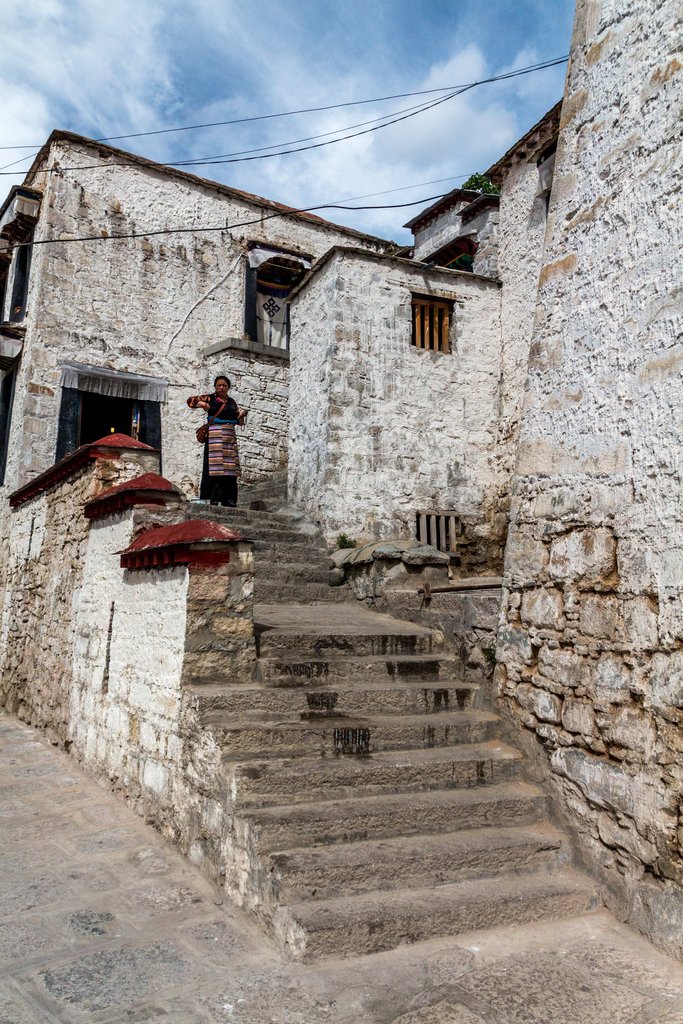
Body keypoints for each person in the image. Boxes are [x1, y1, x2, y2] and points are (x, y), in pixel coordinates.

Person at [187, 375, 247, 507]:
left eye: (224, 385)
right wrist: (203, 404)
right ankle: (212, 499)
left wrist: (241, 416)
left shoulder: (232, 402)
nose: (221, 387)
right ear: (215, 387)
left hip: (229, 439)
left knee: (230, 471)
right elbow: (190, 401)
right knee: (214, 469)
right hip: (214, 437)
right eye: (219, 385)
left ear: (228, 388)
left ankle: (229, 500)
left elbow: (239, 420)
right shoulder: (210, 398)